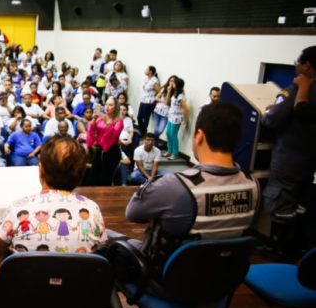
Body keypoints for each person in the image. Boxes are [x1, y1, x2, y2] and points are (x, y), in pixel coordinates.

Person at [118, 102, 259, 285]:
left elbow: (133, 213)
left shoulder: (175, 186)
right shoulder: (253, 185)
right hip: (221, 282)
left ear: (199, 136)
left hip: (171, 283)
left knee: (113, 245)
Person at [0, 136, 106, 274]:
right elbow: (101, 245)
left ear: (41, 169)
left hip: (24, 293)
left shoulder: (19, 207)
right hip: (78, 292)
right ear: (81, 173)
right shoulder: (92, 209)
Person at [261, 45, 316, 256]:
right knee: (299, 205)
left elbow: (272, 119)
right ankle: (294, 249)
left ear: (307, 65)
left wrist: (269, 112)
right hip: (309, 162)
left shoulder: (296, 90)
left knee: (281, 204)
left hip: (288, 161)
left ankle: (276, 250)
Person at [86, 97, 124, 186]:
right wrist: (95, 118)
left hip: (111, 150)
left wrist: (107, 121)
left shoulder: (119, 121)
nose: (107, 107)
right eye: (106, 104)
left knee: (105, 177)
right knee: (93, 175)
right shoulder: (101, 117)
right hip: (99, 149)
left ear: (116, 107)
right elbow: (92, 129)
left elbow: (114, 134)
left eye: (110, 105)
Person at [165, 77, 189, 160]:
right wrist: (168, 91)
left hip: (177, 117)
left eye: (174, 83)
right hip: (171, 116)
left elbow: (186, 109)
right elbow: (167, 102)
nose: (172, 84)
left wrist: (185, 121)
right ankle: (169, 150)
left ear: (177, 84)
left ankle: (175, 153)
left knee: (173, 135)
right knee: (168, 133)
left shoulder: (181, 96)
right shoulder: (174, 92)